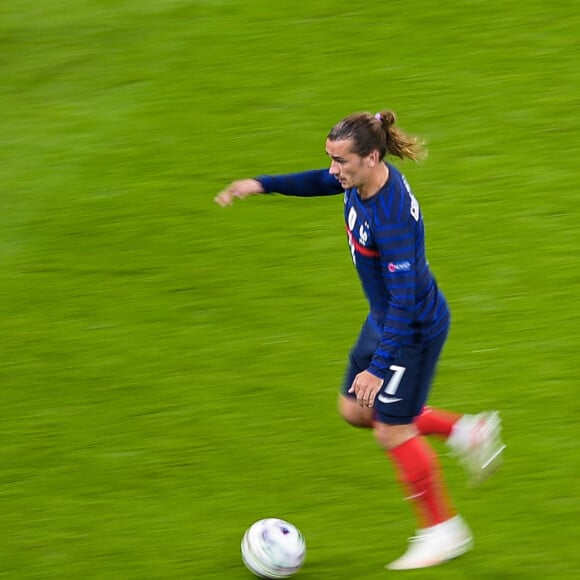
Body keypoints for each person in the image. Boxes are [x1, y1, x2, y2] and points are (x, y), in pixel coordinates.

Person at [214, 109, 505, 571]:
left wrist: (379, 366)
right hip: (385, 318)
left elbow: (406, 301)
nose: (334, 170)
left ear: (370, 158)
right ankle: (465, 431)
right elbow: (318, 182)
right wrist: (262, 184)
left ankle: (442, 531)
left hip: (410, 330)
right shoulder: (359, 179)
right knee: (355, 409)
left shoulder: (391, 217)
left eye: (341, 162)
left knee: (392, 428)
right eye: (331, 159)